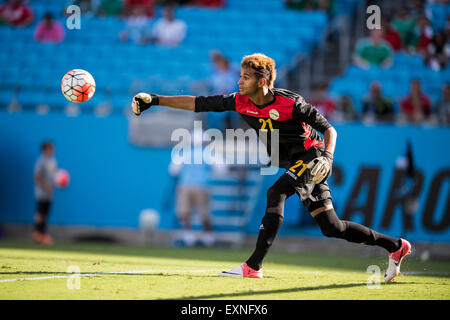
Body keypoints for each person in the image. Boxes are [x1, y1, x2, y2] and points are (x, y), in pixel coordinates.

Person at [130, 53, 411, 282]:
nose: (239, 81)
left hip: (312, 157)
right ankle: (395, 246)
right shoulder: (240, 102)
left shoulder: (291, 103)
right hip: (296, 163)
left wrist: (327, 158)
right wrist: (155, 100)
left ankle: (253, 266)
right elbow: (198, 103)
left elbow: (330, 130)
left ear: (262, 81)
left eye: (245, 77)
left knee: (275, 193)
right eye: (240, 76)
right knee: (332, 226)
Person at [33, 142, 58, 245]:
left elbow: (55, 176)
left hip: (50, 194)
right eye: (50, 148)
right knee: (40, 213)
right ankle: (37, 233)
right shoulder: (41, 161)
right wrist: (45, 186)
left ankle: (43, 234)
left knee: (45, 214)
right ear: (44, 149)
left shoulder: (53, 161)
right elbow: (36, 177)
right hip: (41, 193)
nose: (52, 150)